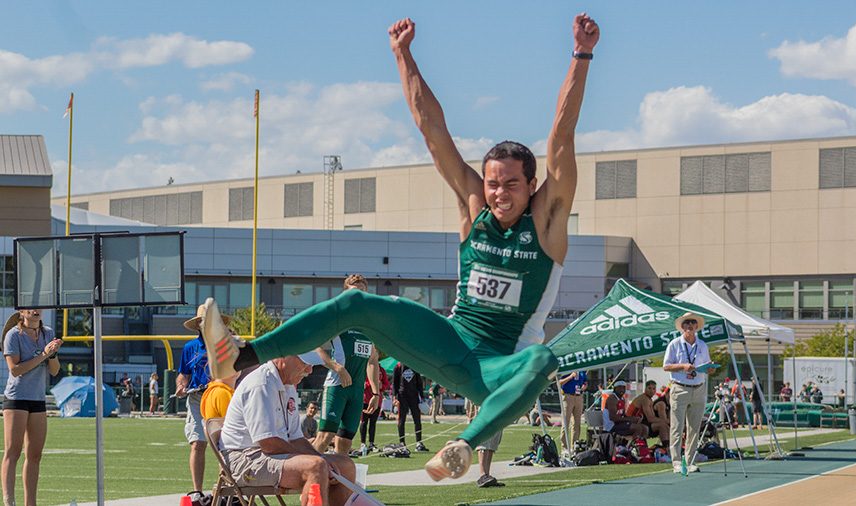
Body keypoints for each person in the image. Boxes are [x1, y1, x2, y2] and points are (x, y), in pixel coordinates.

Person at [198, 12, 599, 482]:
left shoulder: (546, 222)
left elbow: (562, 139)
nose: (499, 193)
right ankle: (243, 356)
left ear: (533, 186)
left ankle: (461, 447)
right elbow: (433, 131)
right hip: (448, 342)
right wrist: (403, 55)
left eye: (511, 184)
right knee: (356, 303)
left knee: (544, 359)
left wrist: (581, 55)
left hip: (496, 367)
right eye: (492, 183)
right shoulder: (475, 209)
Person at [220, 355, 355, 505]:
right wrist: (319, 461)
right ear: (284, 357)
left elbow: (296, 438)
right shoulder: (261, 384)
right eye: (305, 363)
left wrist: (321, 458)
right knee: (315, 467)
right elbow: (269, 443)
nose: (310, 370)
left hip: (262, 455)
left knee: (345, 465)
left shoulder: (287, 385)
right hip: (243, 460)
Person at [311, 275, 382, 455]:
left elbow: (373, 360)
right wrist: (337, 368)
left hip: (357, 392)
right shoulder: (338, 319)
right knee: (325, 438)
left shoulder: (369, 325)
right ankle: (301, 477)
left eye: (362, 292)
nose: (358, 297)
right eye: (354, 292)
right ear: (345, 293)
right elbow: (318, 346)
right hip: (336, 387)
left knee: (345, 443)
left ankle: (337, 482)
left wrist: (375, 392)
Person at [2, 310, 62, 506]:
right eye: (31, 308)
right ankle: (9, 501)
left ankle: (31, 503)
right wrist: (43, 354)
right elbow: (15, 369)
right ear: (22, 311)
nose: (36, 311)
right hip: (17, 397)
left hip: (37, 398)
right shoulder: (13, 334)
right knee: (13, 451)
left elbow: (54, 370)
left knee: (35, 454)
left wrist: (52, 354)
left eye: (39, 308)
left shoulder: (48, 332)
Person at [177, 305, 231, 501]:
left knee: (225, 444)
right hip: (197, 397)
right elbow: (184, 374)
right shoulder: (189, 348)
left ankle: (225, 487)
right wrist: (181, 386)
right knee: (197, 443)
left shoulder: (225, 344)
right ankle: (197, 491)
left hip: (219, 394)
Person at [663, 312, 712, 475]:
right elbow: (666, 366)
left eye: (693, 323)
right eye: (686, 323)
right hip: (680, 387)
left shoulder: (703, 345)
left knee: (694, 428)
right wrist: (683, 366)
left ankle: (690, 461)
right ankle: (677, 462)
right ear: (682, 327)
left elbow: (707, 365)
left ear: (697, 326)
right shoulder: (674, 344)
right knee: (677, 427)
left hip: (699, 387)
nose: (690, 325)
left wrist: (710, 368)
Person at [393, 362, 428, 451]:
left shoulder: (414, 365)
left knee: (417, 419)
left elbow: (419, 382)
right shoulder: (398, 366)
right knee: (401, 419)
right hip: (402, 396)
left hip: (414, 396)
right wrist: (395, 397)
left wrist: (422, 396)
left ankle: (419, 443)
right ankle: (402, 443)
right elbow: (394, 383)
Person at [627, 380, 669, 446]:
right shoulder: (644, 399)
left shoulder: (650, 399)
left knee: (665, 425)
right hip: (633, 422)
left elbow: (652, 418)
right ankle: (667, 448)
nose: (651, 391)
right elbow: (650, 419)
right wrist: (666, 421)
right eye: (649, 388)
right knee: (663, 425)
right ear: (645, 389)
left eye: (654, 388)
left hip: (641, 422)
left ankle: (668, 447)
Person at [359, 365, 390, 453]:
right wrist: (369, 384)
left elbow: (386, 384)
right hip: (365, 400)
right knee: (364, 422)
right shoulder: (364, 367)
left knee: (373, 423)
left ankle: (371, 443)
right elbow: (361, 382)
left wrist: (382, 386)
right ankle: (363, 443)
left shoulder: (381, 369)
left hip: (377, 401)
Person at [558, 370, 587, 449]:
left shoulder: (582, 370)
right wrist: (570, 377)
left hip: (579, 397)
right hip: (568, 396)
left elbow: (585, 381)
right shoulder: (568, 369)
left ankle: (574, 447)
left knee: (577, 424)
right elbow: (559, 383)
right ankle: (564, 447)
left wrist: (584, 386)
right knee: (565, 423)